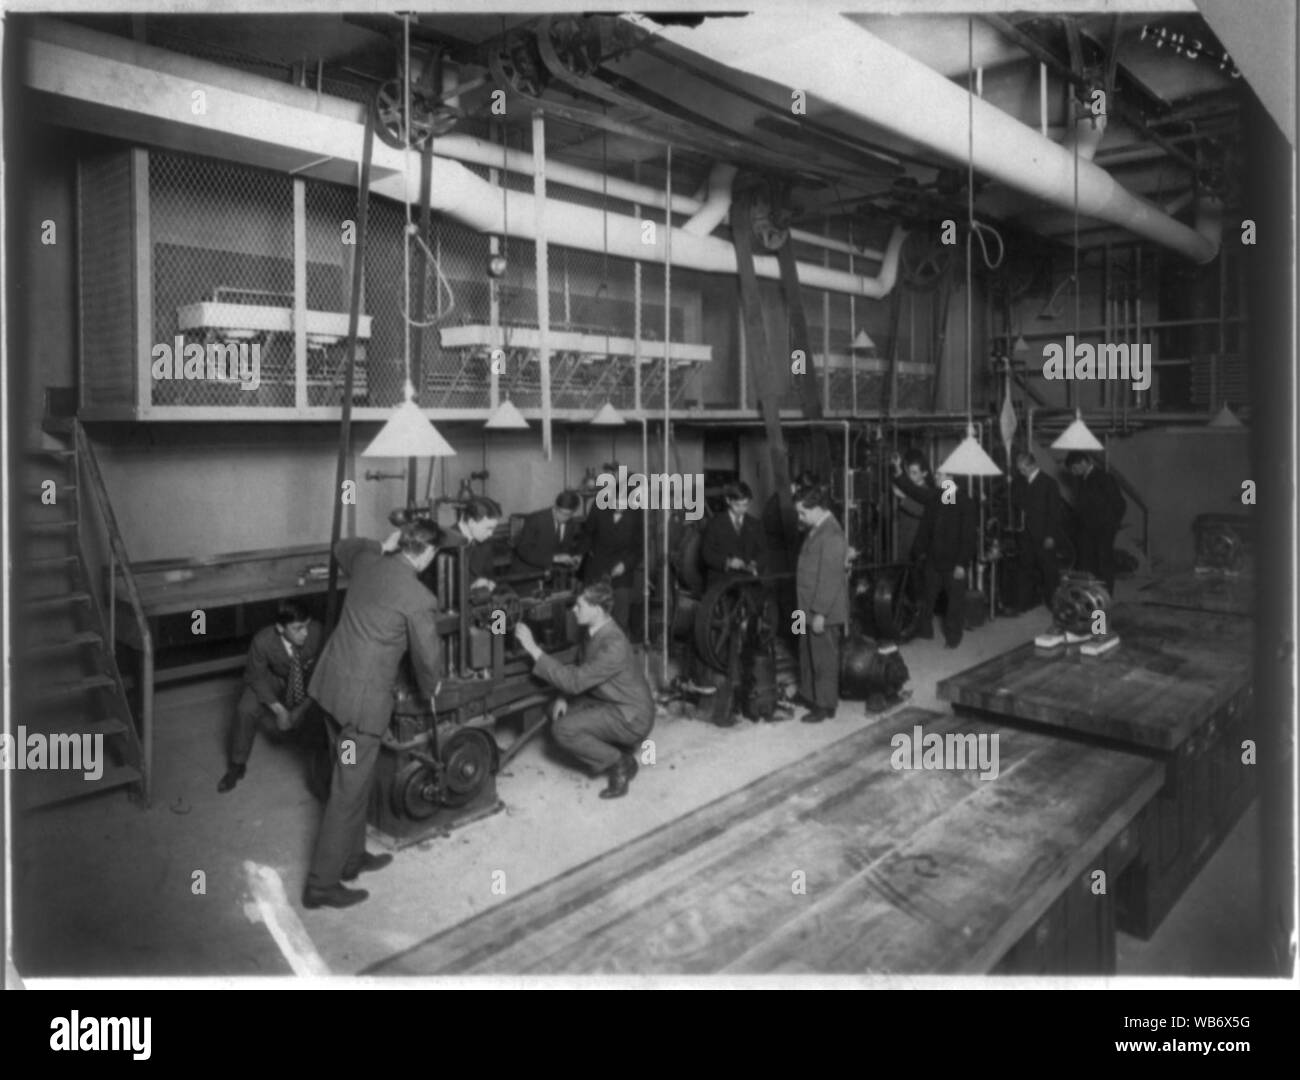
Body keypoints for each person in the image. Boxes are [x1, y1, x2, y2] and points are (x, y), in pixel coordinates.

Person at [302, 522, 443, 910]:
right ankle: (321, 884)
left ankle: (352, 857)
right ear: (428, 554)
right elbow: (427, 657)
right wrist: (432, 688)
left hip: (330, 692)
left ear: (403, 544)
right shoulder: (418, 597)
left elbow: (341, 546)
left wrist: (383, 543)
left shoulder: (367, 563)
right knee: (347, 789)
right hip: (359, 710)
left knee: (352, 777)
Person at [514, 581, 655, 799]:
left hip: (632, 716)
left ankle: (620, 763)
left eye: (579, 606)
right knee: (558, 709)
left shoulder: (613, 644)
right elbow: (581, 669)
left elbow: (575, 681)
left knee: (563, 729)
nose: (573, 610)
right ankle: (614, 751)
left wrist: (533, 649)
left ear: (597, 610)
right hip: (611, 701)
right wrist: (563, 697)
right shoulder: (593, 632)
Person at [218, 600, 323, 794]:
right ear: (280, 628)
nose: (305, 633)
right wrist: (280, 710)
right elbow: (254, 676)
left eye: (306, 626)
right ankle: (237, 765)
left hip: (308, 680)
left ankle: (324, 764)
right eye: (298, 628)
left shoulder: (317, 631)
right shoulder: (263, 641)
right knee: (246, 708)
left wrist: (304, 707)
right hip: (276, 677)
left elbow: (327, 672)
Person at [893, 453, 976, 648]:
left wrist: (962, 564)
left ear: (951, 478)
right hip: (933, 559)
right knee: (927, 598)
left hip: (953, 563)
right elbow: (912, 491)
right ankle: (925, 631)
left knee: (954, 603)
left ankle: (953, 639)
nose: (935, 477)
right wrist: (898, 472)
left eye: (939, 474)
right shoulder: (936, 496)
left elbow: (968, 537)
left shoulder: (964, 501)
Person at [794, 485, 848, 723]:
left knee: (823, 659)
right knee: (806, 653)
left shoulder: (832, 534)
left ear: (816, 509)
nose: (800, 518)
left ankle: (825, 705)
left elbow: (830, 578)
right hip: (804, 606)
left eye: (802, 513)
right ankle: (809, 694)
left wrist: (820, 613)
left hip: (820, 610)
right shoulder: (817, 528)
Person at [1066, 451, 1126, 593]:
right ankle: (1092, 604)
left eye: (1075, 469)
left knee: (1103, 568)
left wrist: (1110, 528)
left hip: (1102, 532)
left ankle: (1103, 607)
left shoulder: (1104, 478)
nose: (1074, 473)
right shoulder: (1083, 480)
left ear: (1083, 463)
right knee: (1089, 568)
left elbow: (1120, 504)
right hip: (1087, 533)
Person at [1013, 450, 1065, 612]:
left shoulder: (1049, 484)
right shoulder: (1021, 482)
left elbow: (1055, 512)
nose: (1021, 472)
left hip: (1043, 534)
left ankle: (1054, 604)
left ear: (1033, 465)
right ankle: (1023, 603)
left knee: (1049, 571)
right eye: (1019, 469)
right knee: (1024, 568)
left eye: (1023, 469)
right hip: (1025, 533)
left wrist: (1050, 535)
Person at [579, 503, 643, 632]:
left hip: (622, 575)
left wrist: (625, 565)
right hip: (596, 570)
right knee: (591, 618)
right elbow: (586, 534)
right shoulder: (598, 506)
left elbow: (639, 548)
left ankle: (617, 650)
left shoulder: (638, 512)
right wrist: (582, 553)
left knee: (620, 620)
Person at [700, 480, 767, 590]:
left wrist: (755, 563)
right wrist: (728, 562)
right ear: (728, 500)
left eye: (745, 505)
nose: (741, 509)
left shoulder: (755, 524)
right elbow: (707, 554)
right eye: (737, 505)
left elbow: (763, 552)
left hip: (748, 581)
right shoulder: (715, 524)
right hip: (721, 581)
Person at [511, 490, 586, 577]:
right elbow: (523, 550)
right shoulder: (535, 519)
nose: (564, 518)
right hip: (527, 574)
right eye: (561, 513)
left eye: (568, 515)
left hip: (551, 575)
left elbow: (564, 547)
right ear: (555, 507)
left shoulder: (570, 524)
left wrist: (573, 557)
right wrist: (554, 558)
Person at [440, 495, 502, 590]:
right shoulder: (445, 542)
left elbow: (489, 574)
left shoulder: (485, 543)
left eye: (493, 529)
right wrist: (471, 586)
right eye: (488, 528)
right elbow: (441, 588)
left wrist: (490, 583)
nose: (491, 533)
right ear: (471, 522)